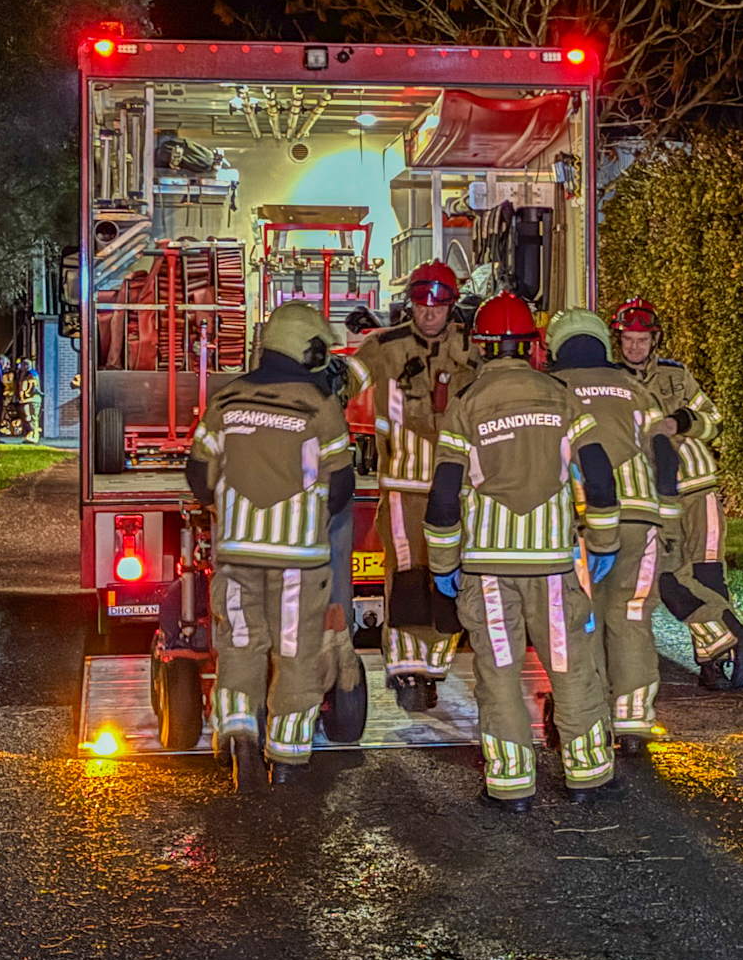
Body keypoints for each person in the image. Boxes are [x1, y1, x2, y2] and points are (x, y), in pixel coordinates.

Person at [426, 293, 622, 811]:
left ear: (482, 346)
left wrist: (444, 565)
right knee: (570, 666)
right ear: (534, 346)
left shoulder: (467, 405)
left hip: (488, 570)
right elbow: (598, 477)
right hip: (554, 569)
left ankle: (512, 785)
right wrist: (603, 542)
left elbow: (445, 496)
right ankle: (589, 775)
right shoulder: (560, 398)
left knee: (499, 675)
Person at [185, 302, 357, 790]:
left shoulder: (227, 399)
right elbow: (342, 485)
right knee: (296, 655)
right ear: (308, 349)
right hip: (299, 562)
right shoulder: (321, 407)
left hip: (238, 556)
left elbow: (199, 474)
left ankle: (239, 731)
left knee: (239, 645)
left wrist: (229, 510)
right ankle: (286, 759)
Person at [342, 261, 477, 710]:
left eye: (438, 306)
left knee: (449, 577)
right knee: (406, 576)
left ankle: (433, 666)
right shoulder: (385, 346)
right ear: (411, 304)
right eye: (422, 305)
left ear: (451, 306)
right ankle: (405, 670)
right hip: (403, 485)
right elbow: (348, 380)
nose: (429, 314)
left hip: (460, 484)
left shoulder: (474, 347)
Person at [547, 308, 683, 752]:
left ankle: (588, 717)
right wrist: (670, 513)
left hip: (584, 519)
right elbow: (664, 449)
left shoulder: (553, 388)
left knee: (582, 620)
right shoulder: (634, 389)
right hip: (642, 517)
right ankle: (634, 722)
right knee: (631, 616)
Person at [613, 299, 743, 690]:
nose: (634, 348)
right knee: (669, 578)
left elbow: (712, 421)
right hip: (651, 496)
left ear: (655, 340)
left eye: (641, 340)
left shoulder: (676, 377)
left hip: (698, 487)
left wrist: (678, 421)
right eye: (628, 340)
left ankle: (712, 661)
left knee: (707, 573)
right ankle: (733, 637)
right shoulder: (610, 382)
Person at [15, 361, 43, 443]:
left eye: (23, 365)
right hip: (27, 400)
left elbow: (32, 387)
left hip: (33, 399)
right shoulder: (26, 374)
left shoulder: (31, 374)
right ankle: (30, 434)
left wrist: (26, 394)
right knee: (27, 417)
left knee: (33, 418)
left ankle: (34, 435)